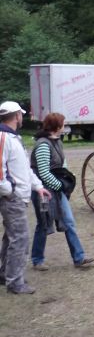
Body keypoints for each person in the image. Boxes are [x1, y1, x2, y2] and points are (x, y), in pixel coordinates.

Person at [30, 113, 94, 271]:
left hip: (56, 189)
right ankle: (37, 259)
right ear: (56, 126)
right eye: (63, 123)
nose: (65, 126)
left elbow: (61, 164)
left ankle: (79, 258)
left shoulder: (56, 141)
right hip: (43, 191)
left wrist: (64, 178)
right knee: (43, 224)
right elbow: (44, 172)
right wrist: (61, 185)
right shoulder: (43, 145)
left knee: (69, 222)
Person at [0, 101, 51, 294]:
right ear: (16, 116)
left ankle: (5, 273)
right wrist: (8, 191)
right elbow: (0, 170)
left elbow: (24, 169)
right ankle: (15, 282)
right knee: (20, 238)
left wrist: (37, 186)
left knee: (11, 236)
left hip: (16, 195)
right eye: (21, 114)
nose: (23, 117)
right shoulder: (3, 138)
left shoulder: (13, 138)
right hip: (12, 197)